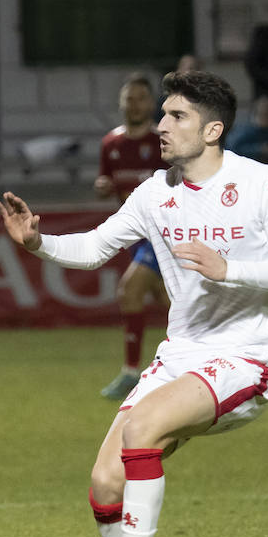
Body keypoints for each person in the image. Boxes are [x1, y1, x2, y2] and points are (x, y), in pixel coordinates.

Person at [0, 69, 268, 537]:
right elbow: (98, 246)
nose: (163, 126)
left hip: (245, 357)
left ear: (213, 129)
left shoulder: (262, 183)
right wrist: (38, 242)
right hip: (182, 355)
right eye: (164, 114)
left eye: (178, 117)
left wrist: (232, 270)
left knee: (141, 426)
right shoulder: (154, 192)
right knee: (104, 482)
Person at [94, 73, 169, 401]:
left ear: (151, 104)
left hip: (163, 233)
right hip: (135, 235)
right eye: (129, 98)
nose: (134, 104)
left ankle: (130, 372)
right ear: (121, 103)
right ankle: (209, 356)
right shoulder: (111, 143)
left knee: (129, 289)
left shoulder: (162, 141)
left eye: (140, 98)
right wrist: (103, 188)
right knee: (169, 300)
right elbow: (107, 184)